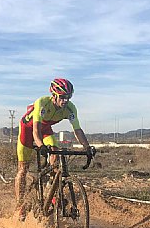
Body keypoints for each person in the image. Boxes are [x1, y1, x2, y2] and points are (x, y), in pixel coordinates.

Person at [14, 78, 94, 219]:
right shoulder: (42, 103)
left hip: (45, 129)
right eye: (62, 97)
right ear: (54, 95)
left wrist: (87, 147)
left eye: (68, 98)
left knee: (55, 155)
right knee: (22, 169)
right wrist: (41, 146)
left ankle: (49, 193)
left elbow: (77, 130)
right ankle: (19, 205)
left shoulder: (70, 108)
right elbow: (35, 130)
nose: (65, 101)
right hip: (28, 129)